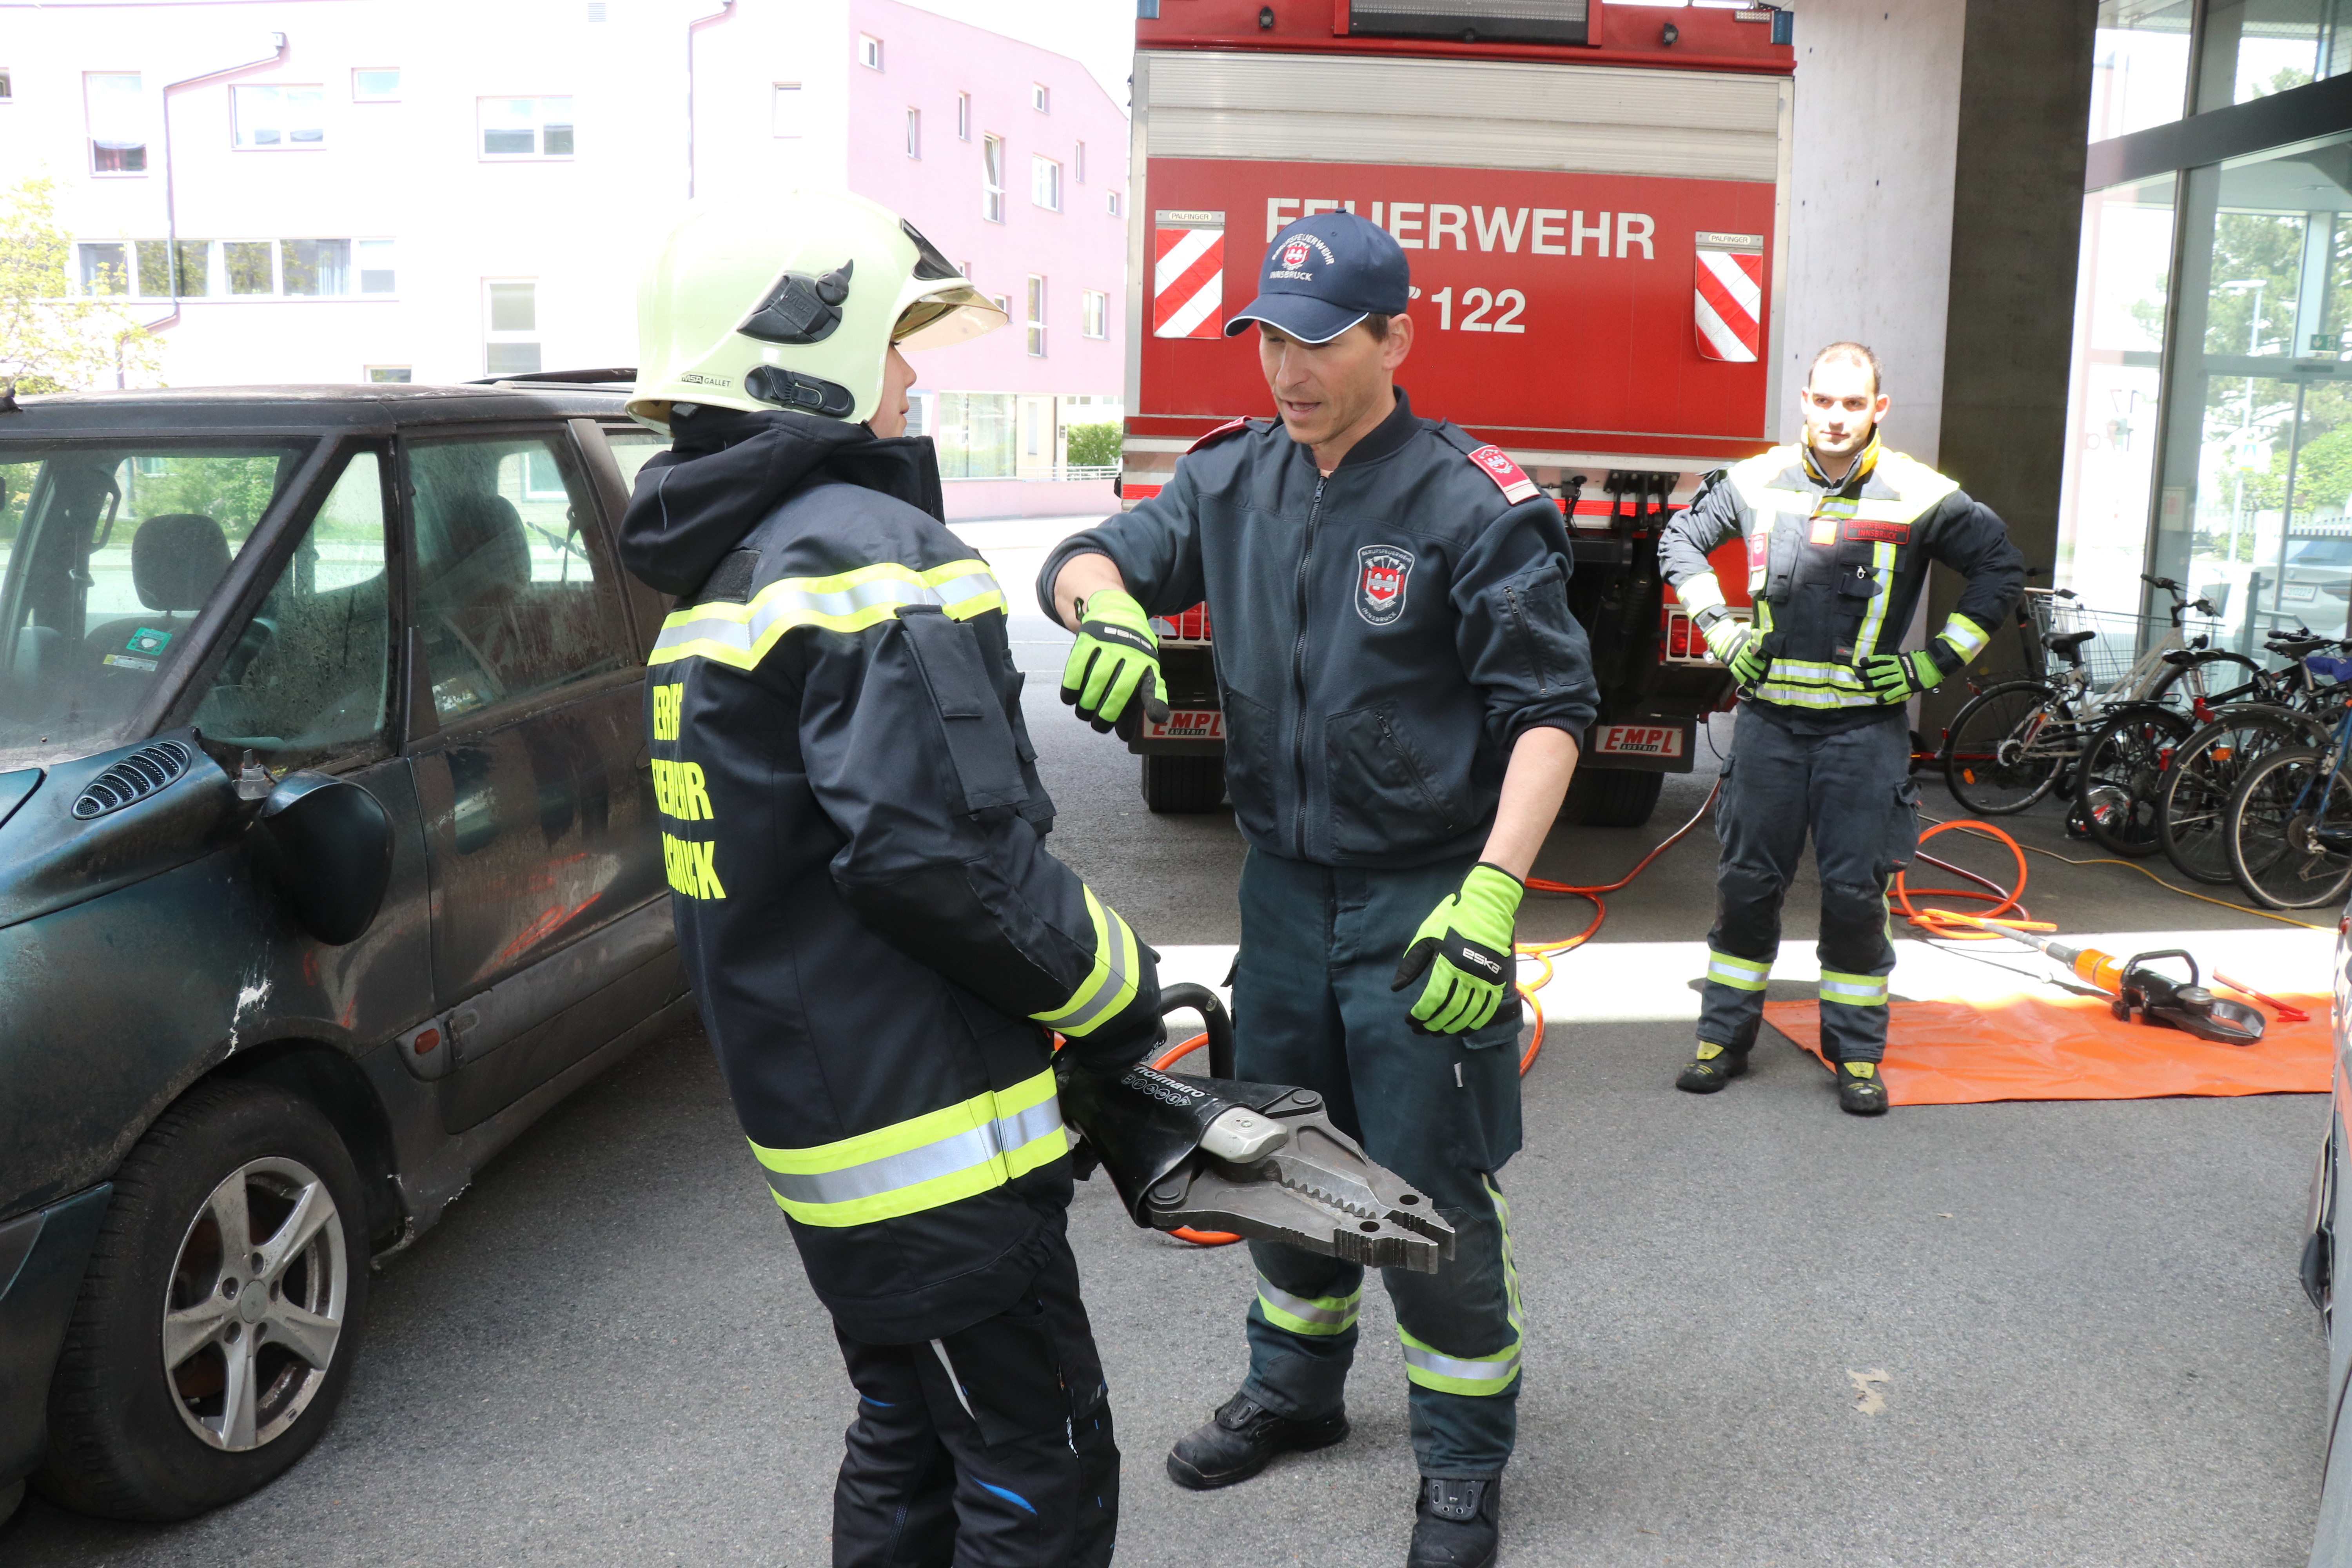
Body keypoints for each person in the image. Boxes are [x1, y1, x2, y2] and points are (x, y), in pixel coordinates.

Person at [1038, 210, 1598, 1568]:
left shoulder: (1471, 502)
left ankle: (1463, 1460)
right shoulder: (1234, 480)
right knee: (1274, 1154)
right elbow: (1085, 557)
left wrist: (1490, 893)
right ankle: (1295, 1395)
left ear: (1397, 335)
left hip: (1422, 901)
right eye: (1270, 340)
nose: (1288, 371)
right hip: (1283, 896)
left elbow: (1552, 709)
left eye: (1321, 341)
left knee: (1430, 1187)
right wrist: (1103, 607)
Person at [618, 192, 1168, 1568]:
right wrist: (1122, 994)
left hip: (828, 1144)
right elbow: (939, 856)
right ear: (804, 358)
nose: (913, 379)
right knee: (1037, 1469)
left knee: (909, 1435)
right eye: (896, 344)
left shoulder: (719, 584)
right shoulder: (868, 554)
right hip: (939, 1153)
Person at [1659, 341, 2025, 1115]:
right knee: (1747, 884)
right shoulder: (1755, 480)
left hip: (1864, 735)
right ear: (1803, 400)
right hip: (1769, 730)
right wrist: (1720, 635)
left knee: (1858, 893)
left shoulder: (1920, 494)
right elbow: (1678, 540)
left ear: (1878, 411)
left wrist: (1935, 663)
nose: (1836, 416)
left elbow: (1999, 565)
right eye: (1824, 400)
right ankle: (1723, 1037)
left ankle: (1856, 1052)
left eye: (1852, 404)